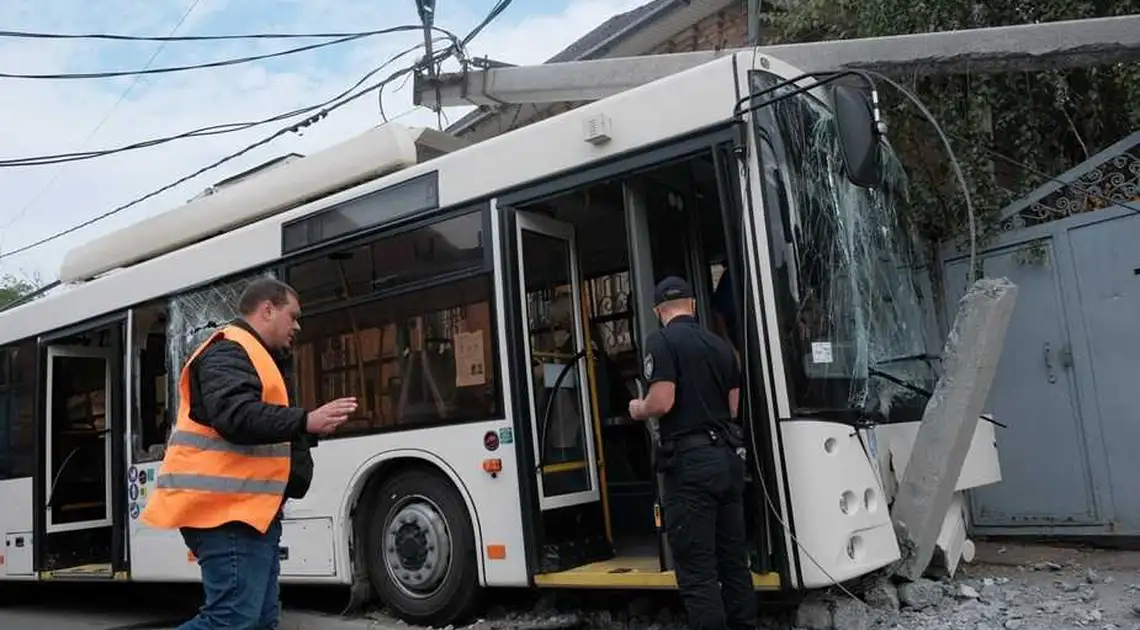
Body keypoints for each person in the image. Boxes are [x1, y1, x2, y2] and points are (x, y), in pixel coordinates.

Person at [141, 277, 357, 629]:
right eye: (294, 316)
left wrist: (305, 429)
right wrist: (306, 420)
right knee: (232, 620)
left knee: (258, 621)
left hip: (248, 513)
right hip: (224, 513)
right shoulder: (230, 349)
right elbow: (235, 416)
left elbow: (258, 426)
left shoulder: (255, 355)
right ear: (267, 310)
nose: (297, 326)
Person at [627, 276, 756, 630]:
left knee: (697, 571)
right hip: (727, 463)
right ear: (693, 305)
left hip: (690, 467)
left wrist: (638, 407)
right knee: (733, 562)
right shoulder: (720, 347)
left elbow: (663, 401)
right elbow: (732, 409)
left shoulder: (661, 341)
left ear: (658, 311)